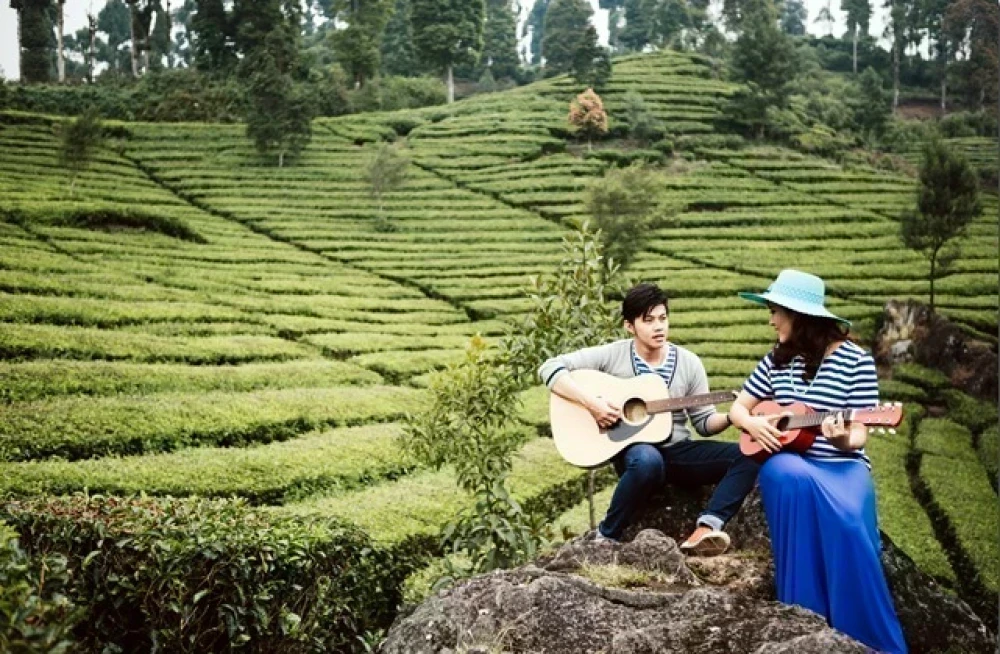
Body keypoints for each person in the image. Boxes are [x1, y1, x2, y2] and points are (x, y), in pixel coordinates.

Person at [728, 269, 908, 654]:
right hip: (795, 463)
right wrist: (754, 425)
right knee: (783, 471)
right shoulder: (777, 360)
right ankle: (803, 616)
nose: (771, 318)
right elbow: (738, 409)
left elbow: (858, 435)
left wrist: (839, 433)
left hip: (843, 469)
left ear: (800, 316)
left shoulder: (855, 361)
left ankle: (869, 639)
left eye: (776, 310)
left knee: (846, 523)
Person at [539, 282, 760, 555]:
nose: (659, 327)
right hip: (635, 453)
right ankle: (607, 535)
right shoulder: (612, 354)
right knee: (647, 461)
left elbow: (703, 424)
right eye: (649, 320)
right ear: (629, 326)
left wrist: (731, 418)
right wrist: (592, 404)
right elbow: (550, 367)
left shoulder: (688, 363)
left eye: (663, 319)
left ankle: (707, 528)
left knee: (750, 454)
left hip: (678, 451)